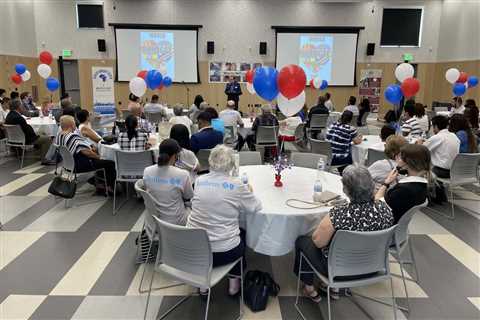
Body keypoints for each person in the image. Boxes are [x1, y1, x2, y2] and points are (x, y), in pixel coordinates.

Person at [294, 165, 393, 301]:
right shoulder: (385, 208)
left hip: (338, 270)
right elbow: (378, 199)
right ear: (372, 185)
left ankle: (309, 288)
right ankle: (333, 289)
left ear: (346, 190)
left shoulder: (339, 213)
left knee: (302, 241)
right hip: (373, 267)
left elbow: (317, 242)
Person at [187, 145, 262, 295]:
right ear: (232, 164)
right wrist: (248, 192)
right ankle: (234, 284)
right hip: (224, 252)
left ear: (210, 161)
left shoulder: (200, 181)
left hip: (194, 249)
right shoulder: (237, 184)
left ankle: (203, 285)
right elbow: (256, 207)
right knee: (241, 233)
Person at [55, 115, 116, 193]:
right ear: (71, 125)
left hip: (68, 165)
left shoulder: (59, 136)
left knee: (102, 162)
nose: (75, 125)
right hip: (80, 164)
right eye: (74, 123)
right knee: (110, 163)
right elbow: (87, 152)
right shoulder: (72, 136)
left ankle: (97, 181)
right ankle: (108, 186)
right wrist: (100, 157)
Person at [143, 139, 194, 225]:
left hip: (154, 220)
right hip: (177, 222)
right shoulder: (183, 174)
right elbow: (188, 196)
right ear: (175, 156)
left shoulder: (147, 171)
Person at [375, 144, 430, 223]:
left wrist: (386, 183)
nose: (396, 159)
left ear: (407, 162)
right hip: (396, 221)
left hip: (384, 224)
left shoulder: (403, 190)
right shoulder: (422, 184)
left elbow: (377, 204)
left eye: (399, 157)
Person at [5, 99, 53, 164]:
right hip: (25, 139)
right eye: (21, 105)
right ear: (19, 107)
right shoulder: (19, 118)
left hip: (13, 139)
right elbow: (28, 131)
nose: (22, 107)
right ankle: (44, 159)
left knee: (41, 133)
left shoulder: (9, 116)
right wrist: (36, 134)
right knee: (48, 138)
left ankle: (40, 151)